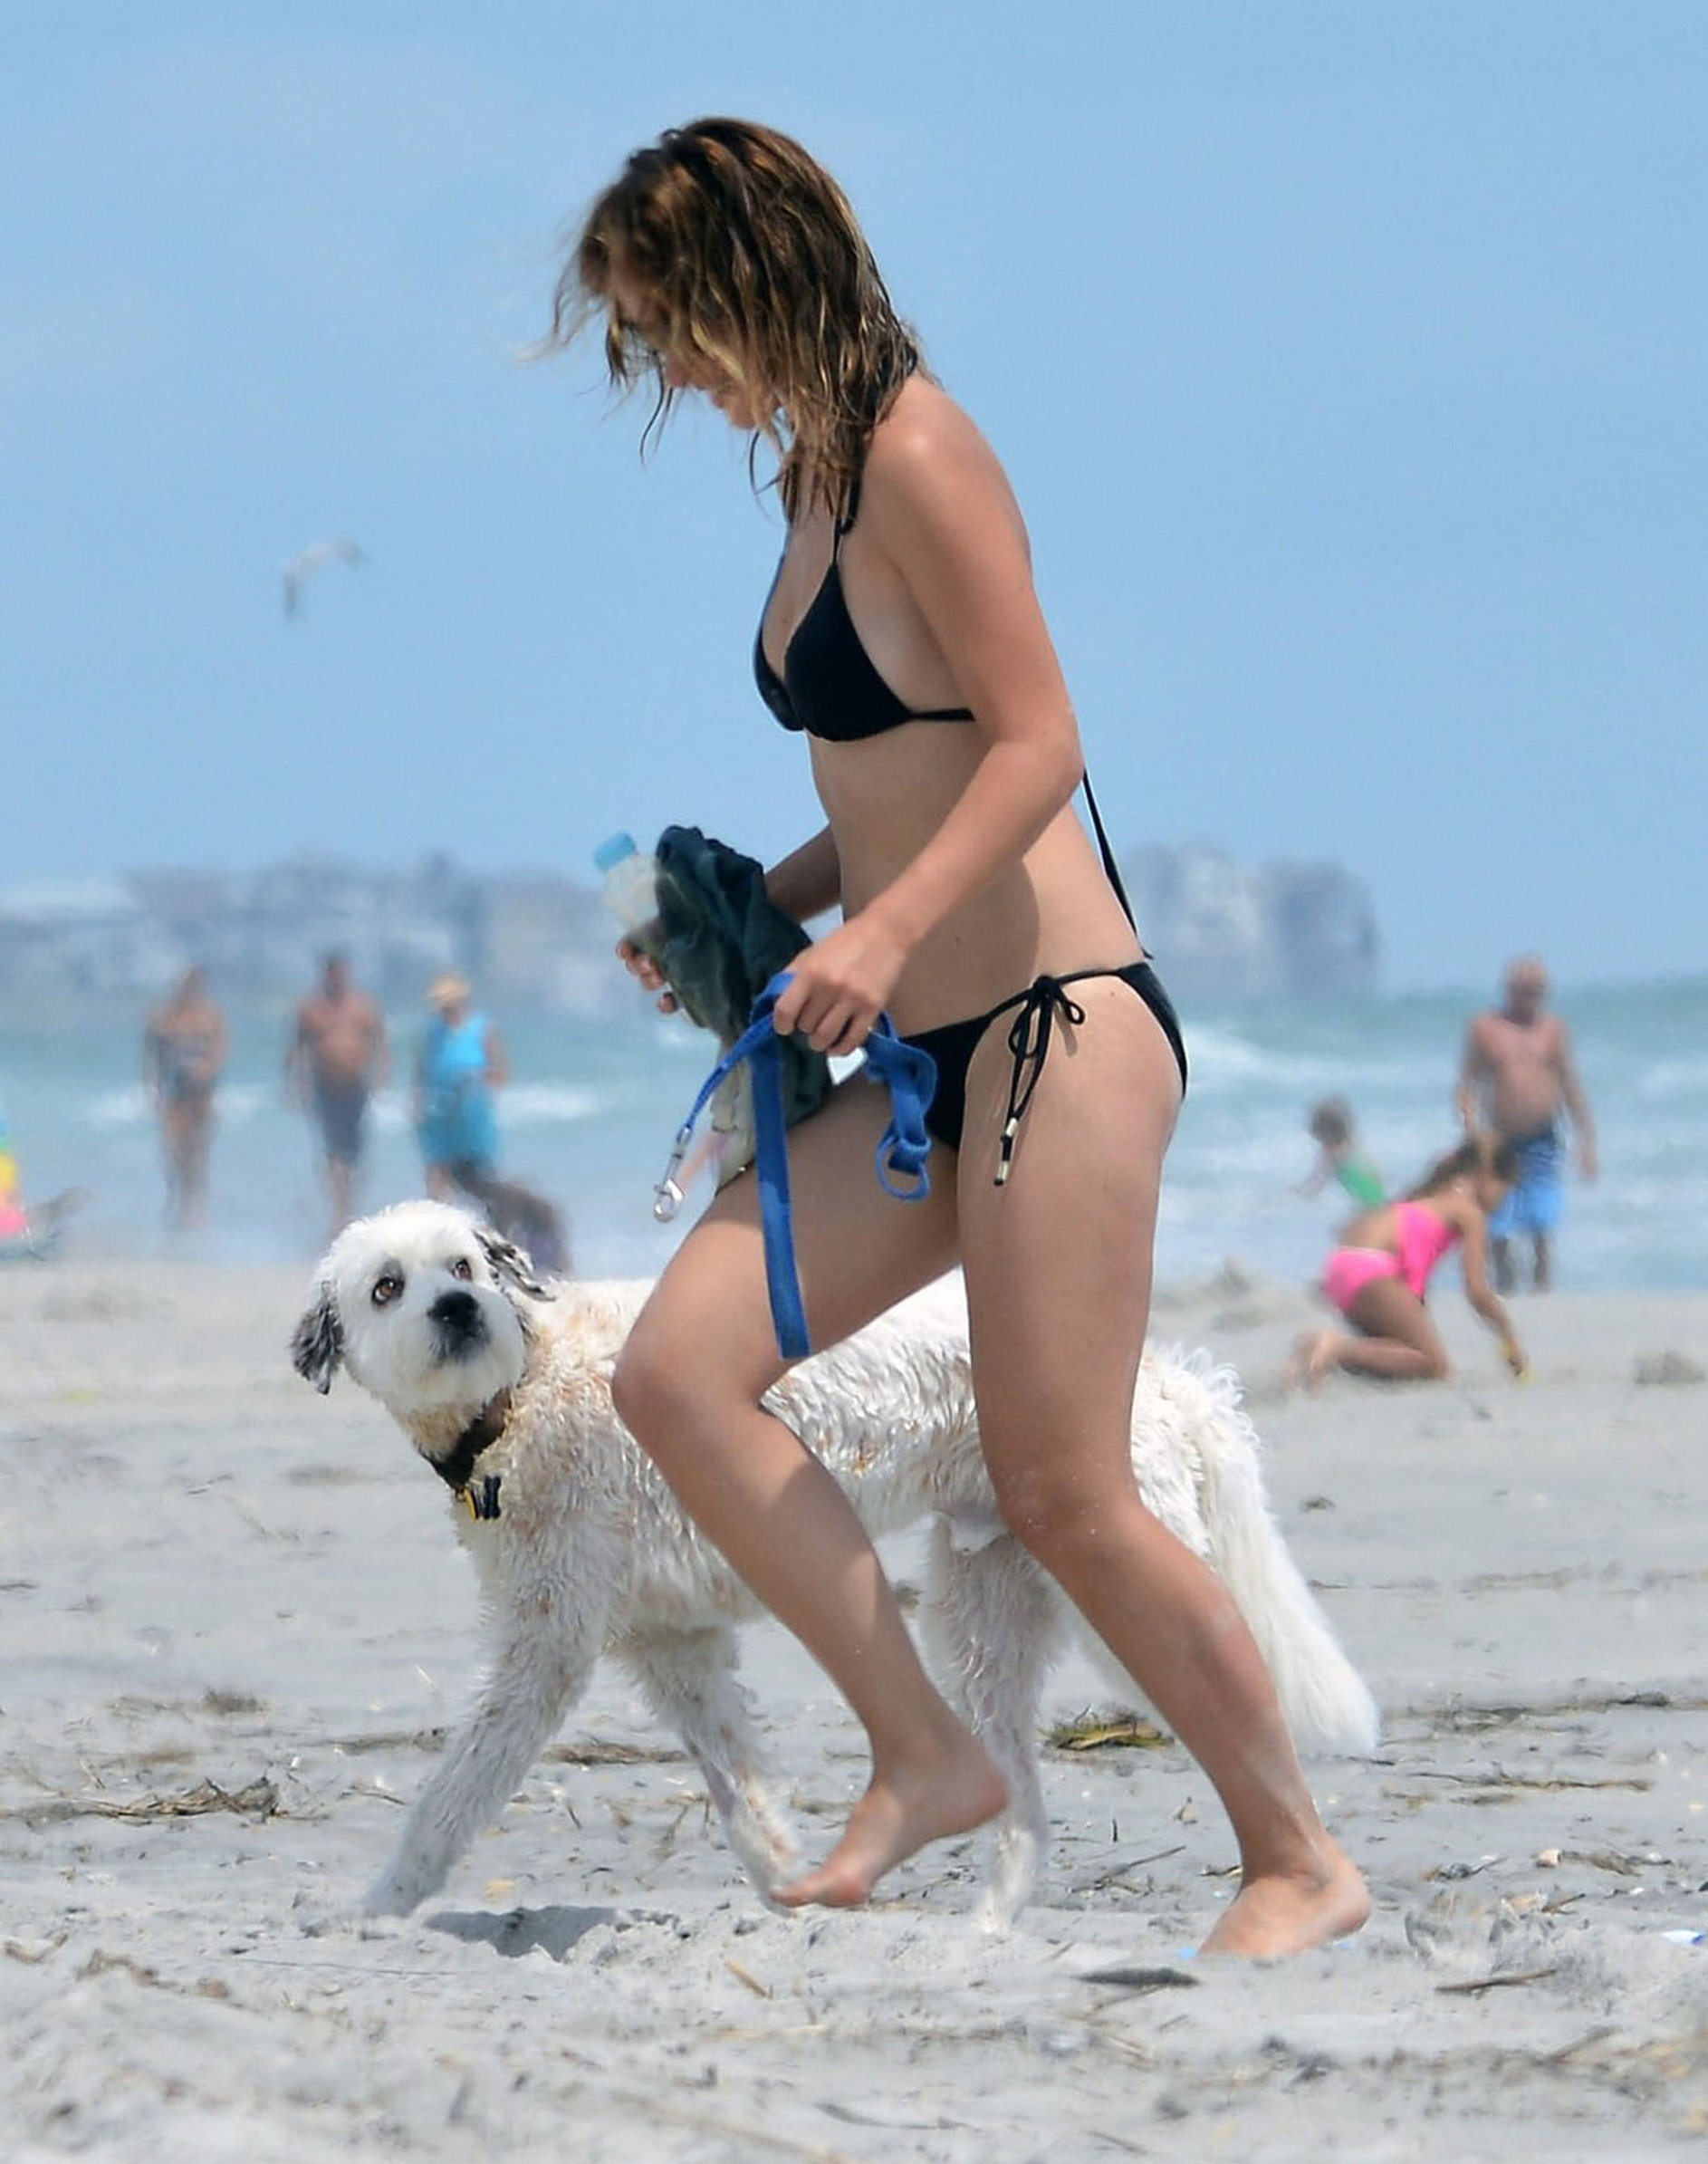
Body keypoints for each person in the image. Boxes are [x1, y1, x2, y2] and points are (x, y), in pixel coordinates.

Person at [551, 118, 1367, 1957]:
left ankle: (1298, 1858)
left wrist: (889, 930)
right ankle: (922, 1750)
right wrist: (756, 911)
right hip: (929, 1064)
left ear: (752, 278)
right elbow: (896, 777)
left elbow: (1038, 737)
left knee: (1061, 1487)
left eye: (664, 324)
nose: (658, 370)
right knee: (676, 1372)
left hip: (1055, 1032)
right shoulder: (810, 477)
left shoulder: (920, 451)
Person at [1289, 1132, 1529, 1387]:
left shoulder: (1423, 1197)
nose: (1501, 1203)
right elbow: (1477, 1291)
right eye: (1505, 1192)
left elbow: (1409, 1271)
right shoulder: (1468, 1212)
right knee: (1434, 1365)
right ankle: (1336, 1349)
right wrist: (1508, 1337)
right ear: (1487, 1175)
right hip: (1371, 1270)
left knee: (1397, 1352)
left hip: (1340, 1266)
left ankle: (1315, 1350)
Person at [1454, 955, 1598, 1293]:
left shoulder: (1554, 1030)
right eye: (1526, 990)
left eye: (1539, 991)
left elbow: (1570, 1084)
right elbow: (1467, 1084)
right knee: (1497, 1218)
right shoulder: (1486, 1028)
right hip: (1498, 1137)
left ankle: (1542, 1288)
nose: (1532, 998)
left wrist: (1587, 1141)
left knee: (1542, 1219)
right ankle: (1505, 1282)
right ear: (1509, 989)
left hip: (1542, 1136)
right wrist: (1470, 1129)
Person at [412, 974, 568, 1274]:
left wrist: (475, 1081)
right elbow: (422, 1071)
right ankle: (436, 1241)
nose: (445, 1010)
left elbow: (500, 1073)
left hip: (473, 1114)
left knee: (481, 1180)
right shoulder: (433, 1034)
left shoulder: (481, 1029)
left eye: (449, 1004)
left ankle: (496, 1239)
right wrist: (419, 1102)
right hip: (439, 1115)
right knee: (439, 1175)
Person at [285, 950, 389, 1236]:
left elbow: (380, 1042)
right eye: (332, 973)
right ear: (325, 975)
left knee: (354, 1153)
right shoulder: (311, 1010)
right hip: (325, 1089)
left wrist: (381, 1077)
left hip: (356, 1087)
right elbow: (296, 1049)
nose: (336, 979)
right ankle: (339, 1213)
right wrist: (294, 1085)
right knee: (332, 1152)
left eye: (340, 973)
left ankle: (350, 1204)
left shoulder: (362, 1006)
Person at [143, 966, 227, 1229]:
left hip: (201, 1093)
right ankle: (177, 1200)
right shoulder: (163, 1017)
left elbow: (220, 1049)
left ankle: (195, 1208)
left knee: (198, 1150)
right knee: (174, 1150)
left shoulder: (209, 1016)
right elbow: (151, 1054)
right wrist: (152, 1087)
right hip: (173, 1091)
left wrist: (207, 1069)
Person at [1298, 1097, 1386, 1211]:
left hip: (1369, 1204)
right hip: (1378, 1200)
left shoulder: (1332, 1154)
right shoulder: (1353, 1145)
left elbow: (1316, 1185)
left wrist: (1298, 1195)